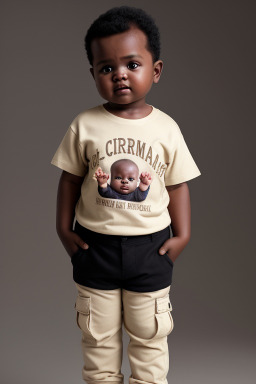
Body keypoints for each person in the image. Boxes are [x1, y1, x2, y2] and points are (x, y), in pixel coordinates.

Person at [51, 6, 201, 384]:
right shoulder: (84, 124)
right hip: (94, 247)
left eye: (132, 64)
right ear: (94, 75)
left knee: (150, 338)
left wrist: (182, 236)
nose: (119, 74)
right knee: (97, 339)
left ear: (156, 70)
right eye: (106, 68)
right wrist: (63, 230)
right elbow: (69, 180)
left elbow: (177, 185)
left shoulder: (167, 129)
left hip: (150, 249)